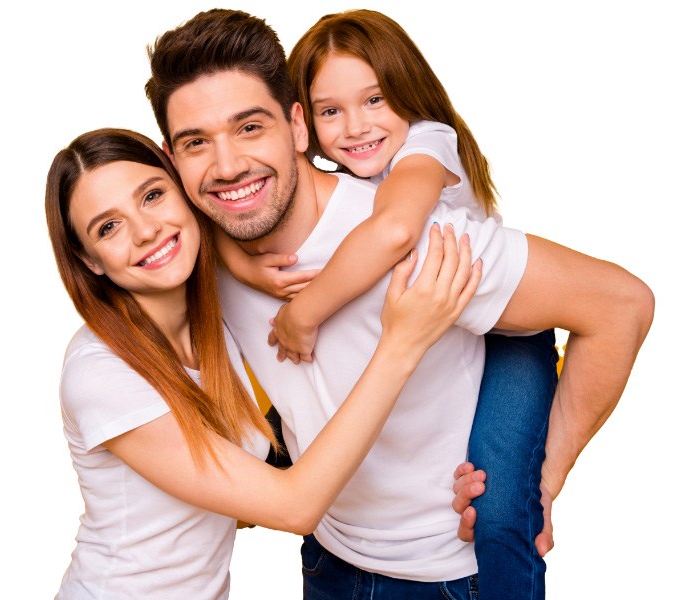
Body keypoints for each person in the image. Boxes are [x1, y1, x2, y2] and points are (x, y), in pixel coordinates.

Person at [145, 8, 654, 599]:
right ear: (171, 157)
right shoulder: (189, 248)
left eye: (250, 127)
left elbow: (622, 305)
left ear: (296, 126)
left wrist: (543, 479)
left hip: (451, 578)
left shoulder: (423, 239)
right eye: (196, 143)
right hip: (327, 560)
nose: (227, 164)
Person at [46, 127, 482, 599]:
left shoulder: (218, 320)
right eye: (107, 227)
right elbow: (293, 507)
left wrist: (455, 479)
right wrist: (403, 343)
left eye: (152, 196)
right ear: (89, 260)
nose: (146, 230)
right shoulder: (101, 374)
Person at [217, 9, 559, 598]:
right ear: (302, 122)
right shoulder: (326, 176)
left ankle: (531, 505)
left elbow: (395, 230)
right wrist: (240, 259)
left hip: (508, 334)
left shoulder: (426, 143)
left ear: (408, 92)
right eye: (330, 111)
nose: (354, 128)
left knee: (500, 503)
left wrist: (305, 312)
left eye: (375, 100)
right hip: (351, 531)